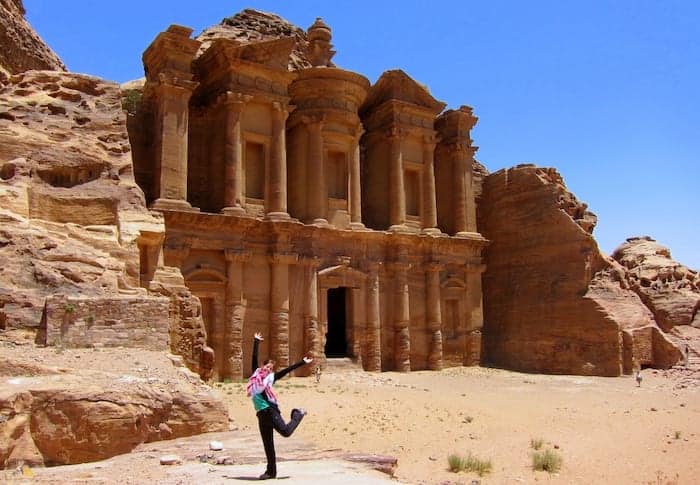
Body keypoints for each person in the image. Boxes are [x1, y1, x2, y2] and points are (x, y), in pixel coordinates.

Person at [248, 332, 313, 480]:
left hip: (270, 410)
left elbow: (286, 371)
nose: (268, 369)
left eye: (271, 368)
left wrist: (302, 362)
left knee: (285, 432)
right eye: (267, 366)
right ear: (263, 366)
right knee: (268, 443)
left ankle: (298, 414)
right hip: (261, 414)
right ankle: (271, 472)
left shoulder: (270, 379)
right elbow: (253, 359)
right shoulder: (255, 377)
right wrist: (256, 341)